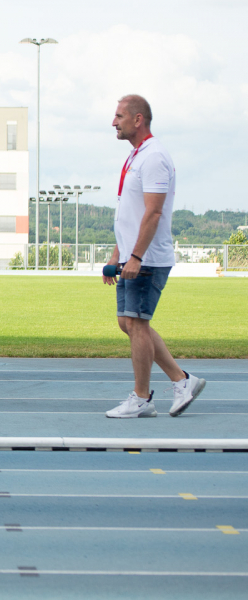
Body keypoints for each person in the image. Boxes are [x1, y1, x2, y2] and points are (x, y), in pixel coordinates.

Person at [104, 94, 205, 418]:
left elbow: (153, 212)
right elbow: (129, 214)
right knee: (128, 323)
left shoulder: (154, 157)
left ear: (138, 119)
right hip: (133, 256)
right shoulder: (136, 156)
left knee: (137, 323)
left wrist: (135, 256)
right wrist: (117, 255)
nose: (113, 122)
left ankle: (142, 398)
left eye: (119, 116)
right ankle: (181, 380)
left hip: (147, 259)